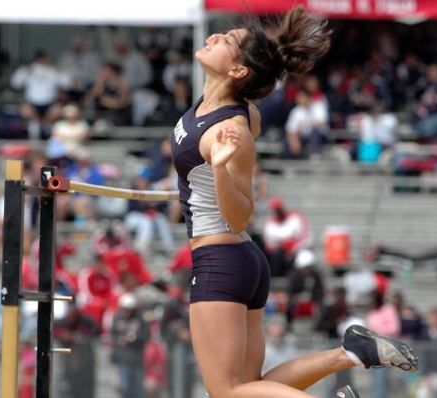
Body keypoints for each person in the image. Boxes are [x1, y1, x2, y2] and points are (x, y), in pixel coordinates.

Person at [169, 7, 417, 398]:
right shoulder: (222, 107)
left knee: (227, 392)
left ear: (237, 72)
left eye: (228, 41)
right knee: (251, 389)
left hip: (221, 261)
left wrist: (219, 171)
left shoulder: (231, 128)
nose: (214, 38)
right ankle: (349, 353)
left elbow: (238, 214)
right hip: (236, 262)